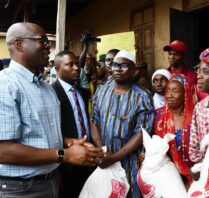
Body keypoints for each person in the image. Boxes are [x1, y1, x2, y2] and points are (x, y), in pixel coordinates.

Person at [0, 22, 102, 198]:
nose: (48, 45)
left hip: (50, 181)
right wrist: (65, 154)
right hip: (21, 188)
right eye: (43, 40)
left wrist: (67, 142)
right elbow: (4, 150)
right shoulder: (5, 85)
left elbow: (36, 134)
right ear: (19, 44)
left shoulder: (45, 88)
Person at [91, 50, 155, 198]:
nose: (118, 69)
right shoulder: (101, 92)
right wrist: (102, 151)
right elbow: (95, 121)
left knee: (129, 193)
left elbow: (141, 133)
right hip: (104, 160)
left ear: (134, 70)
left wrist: (115, 157)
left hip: (129, 162)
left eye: (124, 65)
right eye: (115, 65)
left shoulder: (143, 96)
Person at [52, 50, 92, 198]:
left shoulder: (81, 92)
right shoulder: (52, 93)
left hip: (87, 155)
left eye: (77, 64)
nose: (76, 68)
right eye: (70, 64)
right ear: (57, 69)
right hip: (66, 162)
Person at [154, 74, 195, 187]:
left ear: (185, 93)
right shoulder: (159, 116)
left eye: (175, 91)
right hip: (168, 177)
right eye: (167, 91)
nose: (169, 95)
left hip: (195, 175)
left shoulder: (197, 117)